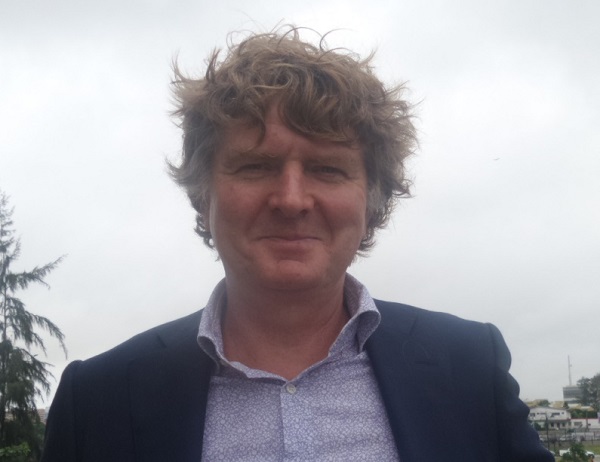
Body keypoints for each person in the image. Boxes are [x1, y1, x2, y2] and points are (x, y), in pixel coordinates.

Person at [41, 27, 555, 462]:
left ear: (372, 201)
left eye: (328, 169)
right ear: (203, 195)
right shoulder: (98, 399)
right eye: (256, 167)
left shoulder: (468, 367)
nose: (291, 199)